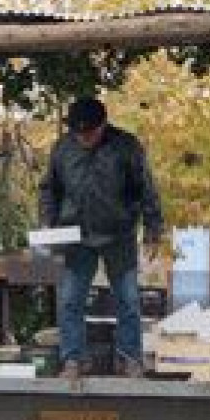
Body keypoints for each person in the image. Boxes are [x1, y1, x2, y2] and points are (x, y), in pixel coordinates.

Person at [38, 95, 165, 378]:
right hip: (76, 234)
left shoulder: (126, 146)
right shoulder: (62, 149)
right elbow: (49, 189)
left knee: (128, 299)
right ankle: (74, 359)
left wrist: (153, 228)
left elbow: (146, 188)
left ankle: (129, 357)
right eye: (78, 133)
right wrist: (47, 222)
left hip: (118, 232)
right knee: (71, 299)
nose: (84, 138)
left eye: (90, 133)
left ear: (103, 126)